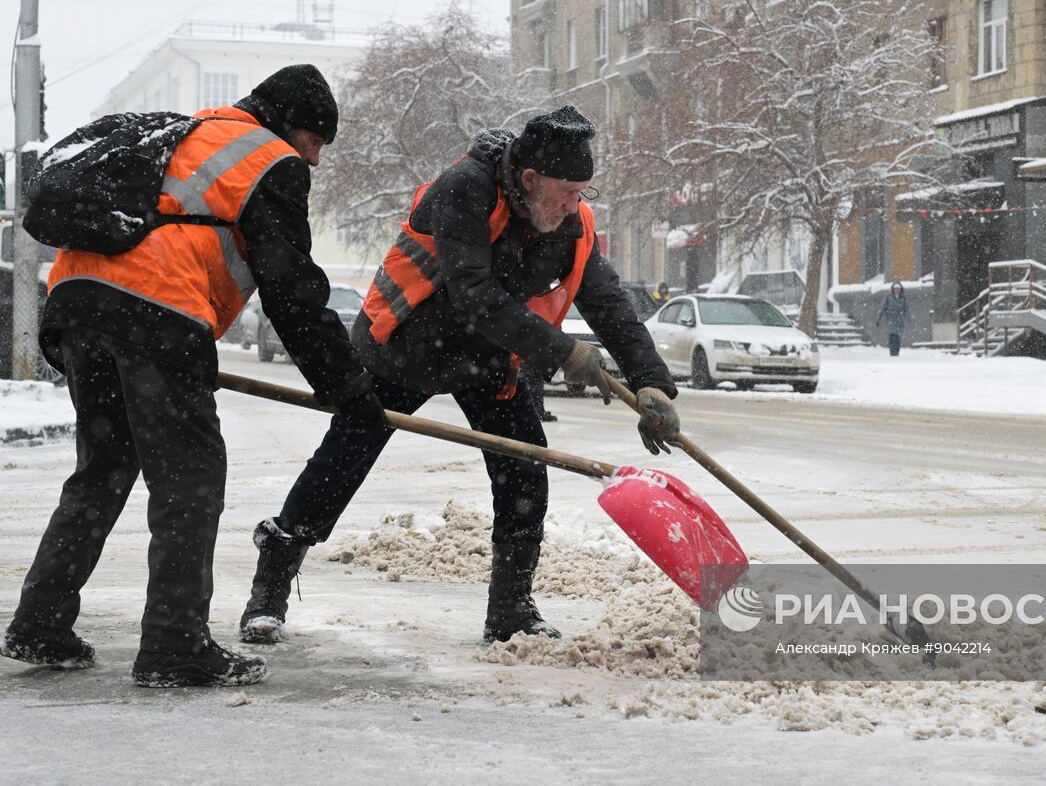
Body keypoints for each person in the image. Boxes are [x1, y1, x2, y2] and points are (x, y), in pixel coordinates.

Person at [1, 65, 385, 688]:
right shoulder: (268, 158)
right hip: (154, 311)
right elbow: (293, 292)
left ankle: (41, 622)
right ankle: (175, 646)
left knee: (102, 470)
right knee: (190, 479)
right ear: (291, 126)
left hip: (78, 302)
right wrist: (348, 391)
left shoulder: (184, 133)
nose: (312, 161)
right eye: (315, 144)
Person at [239, 107, 680, 646]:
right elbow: (474, 294)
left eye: (582, 193)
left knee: (524, 467)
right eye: (566, 192)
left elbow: (610, 304)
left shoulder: (570, 222)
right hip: (403, 347)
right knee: (342, 461)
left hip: (486, 359)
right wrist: (564, 352)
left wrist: (650, 380)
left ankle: (511, 610)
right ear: (529, 180)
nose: (574, 206)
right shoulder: (466, 188)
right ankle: (270, 588)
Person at [874, 282, 909, 356]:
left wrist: (908, 318)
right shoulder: (888, 297)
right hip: (890, 320)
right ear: (893, 289)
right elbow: (882, 308)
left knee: (898, 338)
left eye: (898, 289)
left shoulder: (903, 298)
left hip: (899, 321)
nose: (897, 290)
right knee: (892, 337)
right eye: (895, 289)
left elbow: (906, 309)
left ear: (901, 289)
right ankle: (892, 353)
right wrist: (878, 319)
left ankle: (896, 353)